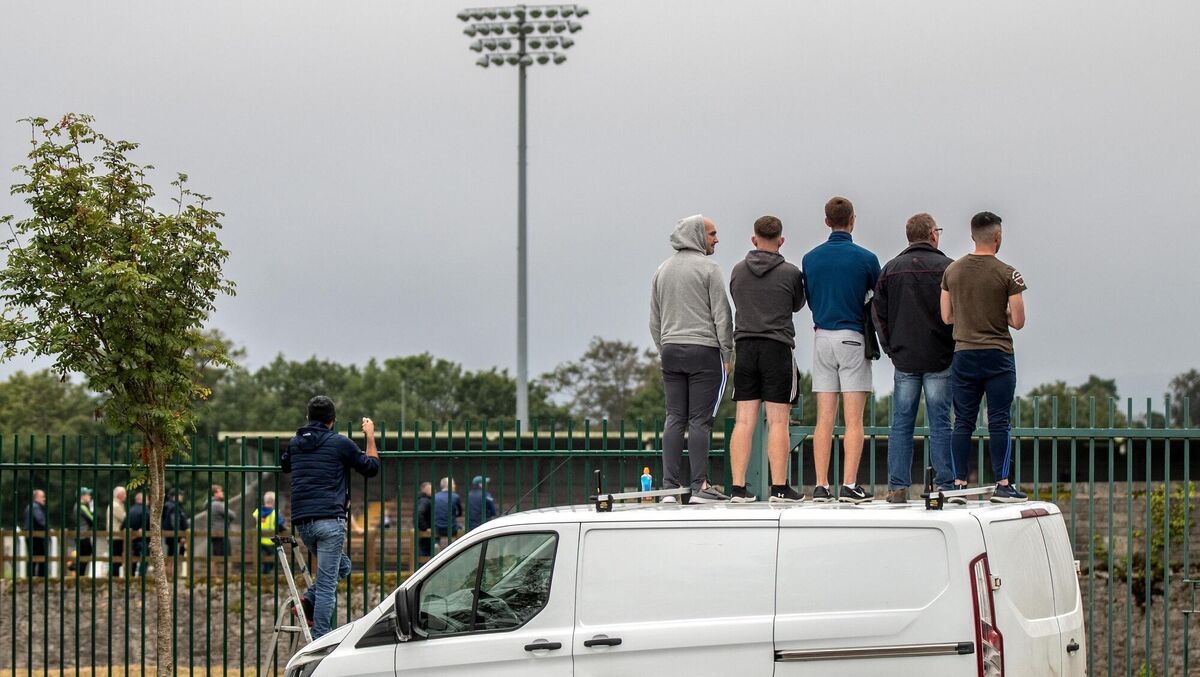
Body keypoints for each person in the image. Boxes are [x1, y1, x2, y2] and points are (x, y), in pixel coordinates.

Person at [940, 211, 1028, 503]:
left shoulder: (952, 271)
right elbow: (1018, 320)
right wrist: (997, 311)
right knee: (999, 420)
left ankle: (958, 484)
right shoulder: (1008, 273)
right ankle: (1003, 483)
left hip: (964, 352)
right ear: (998, 236)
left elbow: (946, 315)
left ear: (972, 235)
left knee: (962, 421)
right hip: (998, 354)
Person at [649, 214, 734, 503]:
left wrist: (664, 347)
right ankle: (700, 486)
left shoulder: (662, 270)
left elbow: (654, 318)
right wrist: (727, 352)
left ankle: (669, 488)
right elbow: (721, 314)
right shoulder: (709, 269)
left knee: (674, 417)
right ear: (697, 235)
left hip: (671, 350)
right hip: (703, 351)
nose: (716, 239)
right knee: (700, 420)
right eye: (712, 234)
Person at [801, 197, 881, 503]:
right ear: (853, 220)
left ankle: (821, 485)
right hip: (852, 334)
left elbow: (809, 296)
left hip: (822, 336)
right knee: (853, 420)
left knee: (824, 418)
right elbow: (874, 296)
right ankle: (849, 483)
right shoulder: (866, 258)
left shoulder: (810, 258)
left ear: (826, 221)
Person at [281, 395, 380, 640]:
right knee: (327, 585)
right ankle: (320, 639)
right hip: (330, 522)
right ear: (332, 421)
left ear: (307, 418)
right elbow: (371, 467)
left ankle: (307, 601)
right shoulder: (340, 443)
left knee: (342, 566)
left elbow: (284, 465)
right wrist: (369, 435)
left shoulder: (295, 443)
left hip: (304, 523)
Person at [874, 213, 955, 503]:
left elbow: (878, 314)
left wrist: (890, 349)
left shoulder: (890, 270)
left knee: (902, 422)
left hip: (904, 358)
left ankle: (898, 486)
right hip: (940, 356)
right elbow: (956, 315)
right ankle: (946, 483)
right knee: (941, 422)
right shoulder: (948, 268)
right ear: (933, 234)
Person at [727, 215, 807, 503]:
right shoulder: (790, 272)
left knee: (744, 420)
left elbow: (736, 297)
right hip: (777, 347)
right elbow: (797, 304)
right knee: (778, 421)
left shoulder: (738, 270)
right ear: (781, 241)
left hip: (745, 346)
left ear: (754, 239)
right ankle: (780, 488)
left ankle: (737, 487)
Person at [252, 491, 284, 574]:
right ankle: (265, 575)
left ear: (265, 500)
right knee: (271, 561)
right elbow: (280, 525)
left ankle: (262, 575)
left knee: (261, 560)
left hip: (259, 540)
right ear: (274, 501)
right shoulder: (276, 513)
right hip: (271, 541)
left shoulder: (257, 511)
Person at [161, 488, 190, 575]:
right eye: (180, 495)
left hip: (171, 536)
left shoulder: (169, 506)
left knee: (170, 556)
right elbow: (175, 523)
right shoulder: (174, 507)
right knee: (173, 557)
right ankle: (172, 576)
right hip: (176, 537)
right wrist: (181, 536)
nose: (182, 497)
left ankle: (171, 575)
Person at [208, 484, 236, 567]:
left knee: (215, 556)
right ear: (215, 494)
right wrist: (227, 521)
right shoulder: (217, 504)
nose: (222, 493)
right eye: (220, 491)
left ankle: (213, 577)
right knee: (227, 557)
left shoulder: (209, 504)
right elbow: (232, 515)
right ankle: (228, 577)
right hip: (221, 533)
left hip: (215, 533)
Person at [22, 489, 48, 577]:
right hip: (36, 537)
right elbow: (41, 521)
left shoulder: (30, 507)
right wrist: (48, 529)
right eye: (43, 497)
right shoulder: (35, 507)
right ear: (37, 497)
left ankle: (30, 578)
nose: (44, 499)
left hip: (30, 536)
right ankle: (41, 579)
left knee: (32, 558)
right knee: (42, 558)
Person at [126, 491, 150, 576]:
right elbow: (149, 525)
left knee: (133, 558)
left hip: (131, 539)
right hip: (144, 539)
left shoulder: (130, 510)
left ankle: (131, 575)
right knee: (145, 558)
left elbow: (123, 526)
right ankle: (141, 576)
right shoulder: (146, 511)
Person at [432, 477, 462, 544]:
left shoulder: (435, 496)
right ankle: (456, 547)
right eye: (453, 484)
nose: (455, 486)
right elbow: (460, 513)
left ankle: (436, 544)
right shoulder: (455, 496)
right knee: (461, 530)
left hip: (437, 528)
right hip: (451, 528)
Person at [74, 487, 96, 575]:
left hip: (80, 535)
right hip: (83, 536)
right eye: (88, 494)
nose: (90, 496)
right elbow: (92, 519)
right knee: (84, 558)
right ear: (82, 496)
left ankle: (77, 569)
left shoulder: (77, 506)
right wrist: (92, 508)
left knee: (82, 557)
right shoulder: (82, 507)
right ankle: (80, 576)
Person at [107, 486, 127, 577]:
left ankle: (113, 576)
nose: (126, 496)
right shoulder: (116, 506)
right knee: (116, 558)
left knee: (116, 558)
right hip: (116, 536)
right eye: (124, 494)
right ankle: (113, 577)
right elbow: (124, 518)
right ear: (119, 495)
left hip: (115, 536)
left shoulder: (116, 504)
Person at [415, 482, 433, 558]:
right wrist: (425, 528)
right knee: (425, 554)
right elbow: (419, 514)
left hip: (424, 532)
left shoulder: (421, 500)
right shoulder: (424, 501)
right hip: (426, 533)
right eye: (431, 489)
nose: (434, 491)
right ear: (425, 490)